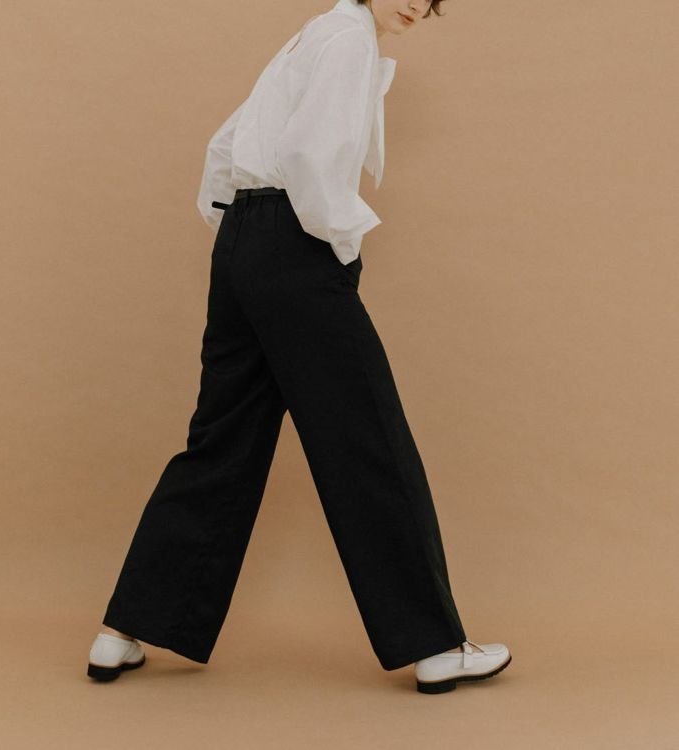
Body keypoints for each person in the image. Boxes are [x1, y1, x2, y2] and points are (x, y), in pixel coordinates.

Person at [86, 0, 511, 694]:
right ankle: (435, 645)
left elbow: (225, 144)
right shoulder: (348, 41)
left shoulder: (314, 33)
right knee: (367, 439)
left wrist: (243, 239)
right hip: (297, 245)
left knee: (221, 441)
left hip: (243, 241)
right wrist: (338, 247)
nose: (416, 3)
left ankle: (122, 631)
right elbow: (312, 159)